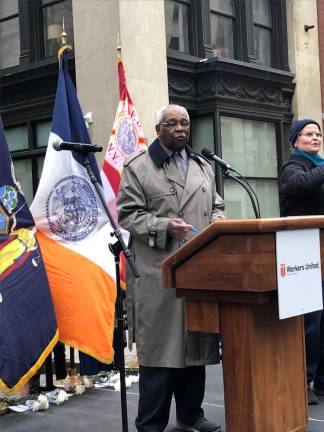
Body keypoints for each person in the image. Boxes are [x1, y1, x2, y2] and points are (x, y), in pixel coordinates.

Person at [116, 104, 225, 432]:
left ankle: (191, 415)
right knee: (161, 358)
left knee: (194, 350)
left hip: (196, 269)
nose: (181, 128)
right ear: (159, 129)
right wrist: (164, 226)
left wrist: (219, 222)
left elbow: (216, 204)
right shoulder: (139, 167)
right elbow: (127, 213)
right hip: (158, 275)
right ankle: (150, 424)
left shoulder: (202, 165)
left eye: (185, 123)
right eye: (172, 123)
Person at [278, 118, 324, 405]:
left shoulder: (319, 164)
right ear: (295, 140)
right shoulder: (292, 166)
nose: (316, 138)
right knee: (310, 320)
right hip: (301, 254)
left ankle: (321, 379)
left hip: (321, 250)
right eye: (309, 134)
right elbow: (302, 185)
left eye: (318, 133)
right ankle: (301, 379)